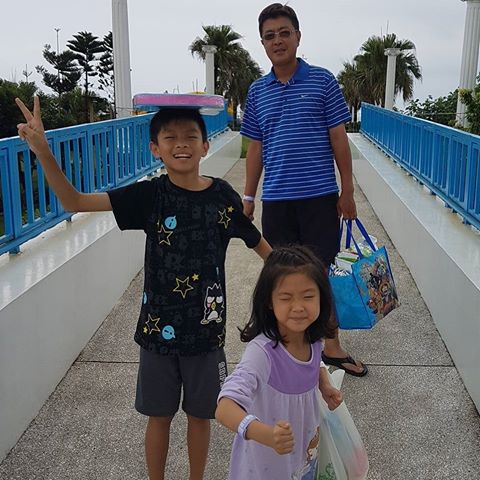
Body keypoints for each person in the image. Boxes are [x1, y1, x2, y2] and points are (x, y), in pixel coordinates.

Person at [15, 97, 272, 480]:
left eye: (190, 136)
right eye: (170, 137)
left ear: (205, 145)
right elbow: (73, 201)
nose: (181, 143)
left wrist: (298, 279)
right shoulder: (149, 196)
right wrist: (43, 152)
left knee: (201, 417)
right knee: (159, 417)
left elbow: (260, 245)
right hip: (156, 335)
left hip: (206, 334)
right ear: (155, 148)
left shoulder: (223, 197)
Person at [240, 2, 367, 376]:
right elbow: (255, 148)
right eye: (269, 36)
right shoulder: (257, 91)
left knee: (321, 273)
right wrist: (248, 197)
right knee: (282, 275)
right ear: (263, 43)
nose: (277, 41)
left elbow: (339, 138)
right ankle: (288, 346)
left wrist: (347, 191)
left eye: (284, 33)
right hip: (277, 201)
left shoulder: (323, 81)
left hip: (319, 198)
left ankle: (331, 346)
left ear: (297, 36)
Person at [215, 245, 343, 480]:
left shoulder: (313, 338)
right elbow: (225, 408)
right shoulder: (262, 354)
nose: (298, 307)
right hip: (264, 469)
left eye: (308, 296)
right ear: (269, 302)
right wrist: (264, 433)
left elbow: (315, 365)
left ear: (322, 297)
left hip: (303, 460)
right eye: (286, 298)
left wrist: (324, 384)